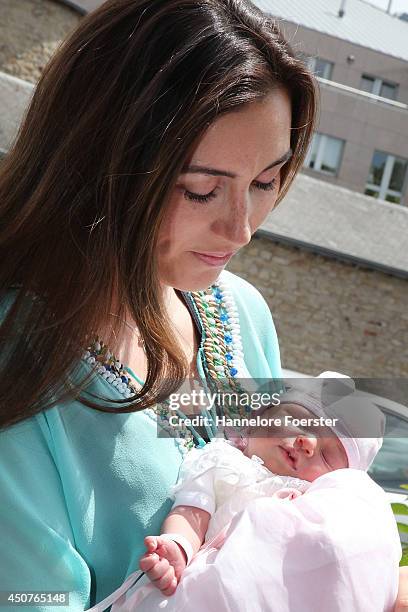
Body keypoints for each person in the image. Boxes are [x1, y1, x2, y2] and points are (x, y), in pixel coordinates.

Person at [0, 0, 407, 610]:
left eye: (267, 181)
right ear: (99, 162)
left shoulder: (241, 311)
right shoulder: (16, 356)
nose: (241, 228)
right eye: (200, 189)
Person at [111, 373, 399, 612]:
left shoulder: (313, 504)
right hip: (204, 588)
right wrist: (179, 546)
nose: (306, 442)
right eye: (301, 422)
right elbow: (193, 509)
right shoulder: (221, 461)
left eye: (326, 456)